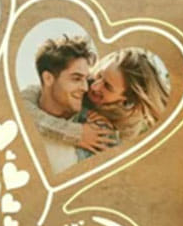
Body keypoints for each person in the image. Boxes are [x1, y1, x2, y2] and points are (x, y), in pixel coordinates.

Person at [21, 46, 171, 163]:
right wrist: (75, 133)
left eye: (107, 87)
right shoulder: (82, 81)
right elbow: (23, 104)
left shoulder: (124, 127)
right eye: (99, 75)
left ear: (125, 101)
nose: (94, 86)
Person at [24, 35, 96, 173]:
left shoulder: (94, 126)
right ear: (48, 78)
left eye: (86, 79)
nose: (85, 88)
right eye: (76, 78)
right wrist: (73, 133)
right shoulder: (15, 122)